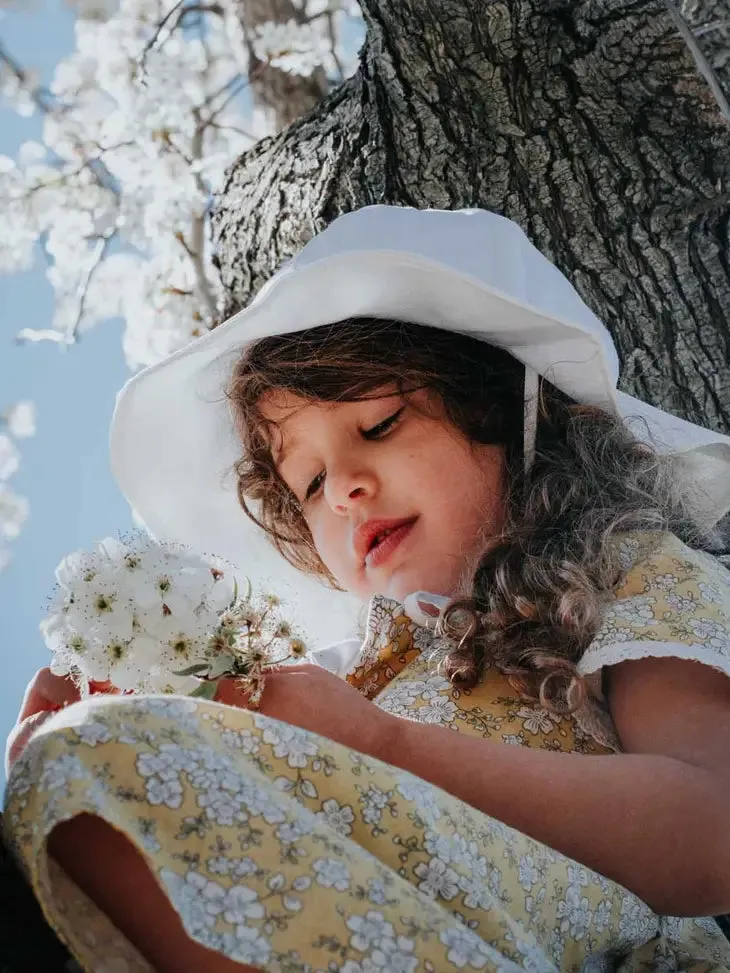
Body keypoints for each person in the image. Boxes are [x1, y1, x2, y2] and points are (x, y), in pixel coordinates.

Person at [4, 205, 730, 973]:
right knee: (81, 783)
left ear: (501, 408)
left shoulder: (623, 567)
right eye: (309, 483)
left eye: (380, 425)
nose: (343, 489)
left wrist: (378, 742)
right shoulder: (341, 671)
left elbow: (714, 831)